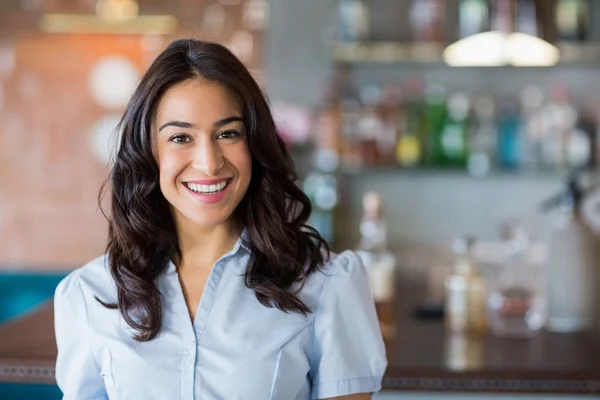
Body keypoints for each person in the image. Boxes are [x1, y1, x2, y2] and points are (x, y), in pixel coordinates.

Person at [54, 38, 387, 400]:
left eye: (227, 133)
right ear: (149, 153)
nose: (209, 163)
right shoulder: (90, 295)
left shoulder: (328, 285)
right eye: (181, 137)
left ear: (254, 143)